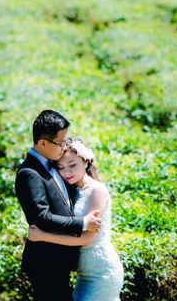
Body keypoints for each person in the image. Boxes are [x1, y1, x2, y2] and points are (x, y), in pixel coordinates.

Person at [15, 110, 102, 301]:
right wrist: (83, 223)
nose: (64, 148)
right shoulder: (29, 173)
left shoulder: (53, 164)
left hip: (59, 260)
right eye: (60, 143)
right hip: (46, 261)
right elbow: (41, 217)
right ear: (43, 143)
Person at [28, 137, 124, 301]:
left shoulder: (97, 191)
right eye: (61, 167)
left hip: (102, 272)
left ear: (86, 161)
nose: (67, 172)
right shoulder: (71, 190)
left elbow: (88, 238)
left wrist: (44, 236)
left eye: (72, 165)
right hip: (83, 273)